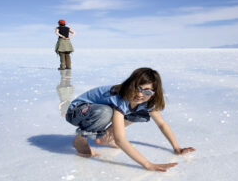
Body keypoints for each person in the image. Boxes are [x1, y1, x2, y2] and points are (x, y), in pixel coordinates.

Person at [66, 68, 195, 172]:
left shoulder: (148, 102)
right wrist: (147, 164)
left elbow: (161, 124)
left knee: (140, 113)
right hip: (77, 112)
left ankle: (105, 137)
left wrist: (177, 148)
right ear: (130, 85)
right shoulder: (120, 98)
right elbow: (121, 140)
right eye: (137, 88)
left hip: (97, 111)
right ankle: (80, 139)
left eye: (147, 92)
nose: (140, 94)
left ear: (154, 94)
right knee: (105, 112)